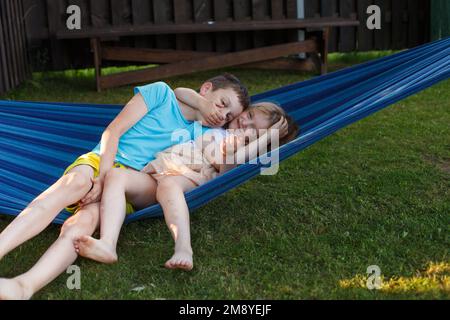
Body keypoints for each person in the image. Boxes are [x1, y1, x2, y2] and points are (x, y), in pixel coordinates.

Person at [0, 74, 249, 300]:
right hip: (102, 161)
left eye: (228, 116)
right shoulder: (161, 93)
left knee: (82, 225)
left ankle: (23, 287)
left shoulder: (203, 134)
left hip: (129, 186)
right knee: (73, 183)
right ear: (206, 89)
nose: (222, 115)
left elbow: (223, 164)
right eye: (222, 103)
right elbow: (114, 131)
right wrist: (102, 176)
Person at [73, 89, 299, 272]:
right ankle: (108, 244)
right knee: (116, 175)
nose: (244, 124)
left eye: (254, 130)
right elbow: (180, 92)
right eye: (248, 116)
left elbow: (230, 164)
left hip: (190, 177)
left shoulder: (240, 145)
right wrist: (202, 103)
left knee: (169, 185)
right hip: (157, 173)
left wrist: (266, 140)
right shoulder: (217, 122)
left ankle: (183, 248)